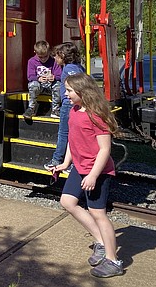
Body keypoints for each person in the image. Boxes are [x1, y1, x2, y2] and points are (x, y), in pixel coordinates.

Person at [52, 73, 123, 278]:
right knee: (67, 201)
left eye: (69, 91)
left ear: (83, 92)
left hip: (98, 171)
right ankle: (100, 242)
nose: (66, 95)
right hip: (81, 168)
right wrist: (65, 163)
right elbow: (73, 141)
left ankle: (113, 260)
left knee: (98, 214)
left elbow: (104, 150)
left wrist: (92, 175)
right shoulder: (74, 111)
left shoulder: (96, 115)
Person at [44, 42, 85, 168]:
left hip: (68, 104)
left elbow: (76, 85)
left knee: (64, 134)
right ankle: (73, 163)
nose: (55, 59)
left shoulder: (69, 69)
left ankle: (57, 160)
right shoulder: (79, 67)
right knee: (75, 134)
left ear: (62, 55)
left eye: (56, 56)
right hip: (75, 103)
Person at [23, 40, 62, 119]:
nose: (43, 59)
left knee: (58, 85)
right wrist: (38, 78)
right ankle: (31, 108)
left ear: (49, 52)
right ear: (35, 52)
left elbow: (60, 75)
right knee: (33, 84)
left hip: (51, 85)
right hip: (39, 86)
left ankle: (55, 110)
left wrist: (54, 77)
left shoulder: (54, 61)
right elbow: (30, 76)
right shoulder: (32, 61)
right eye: (41, 57)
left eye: (46, 56)